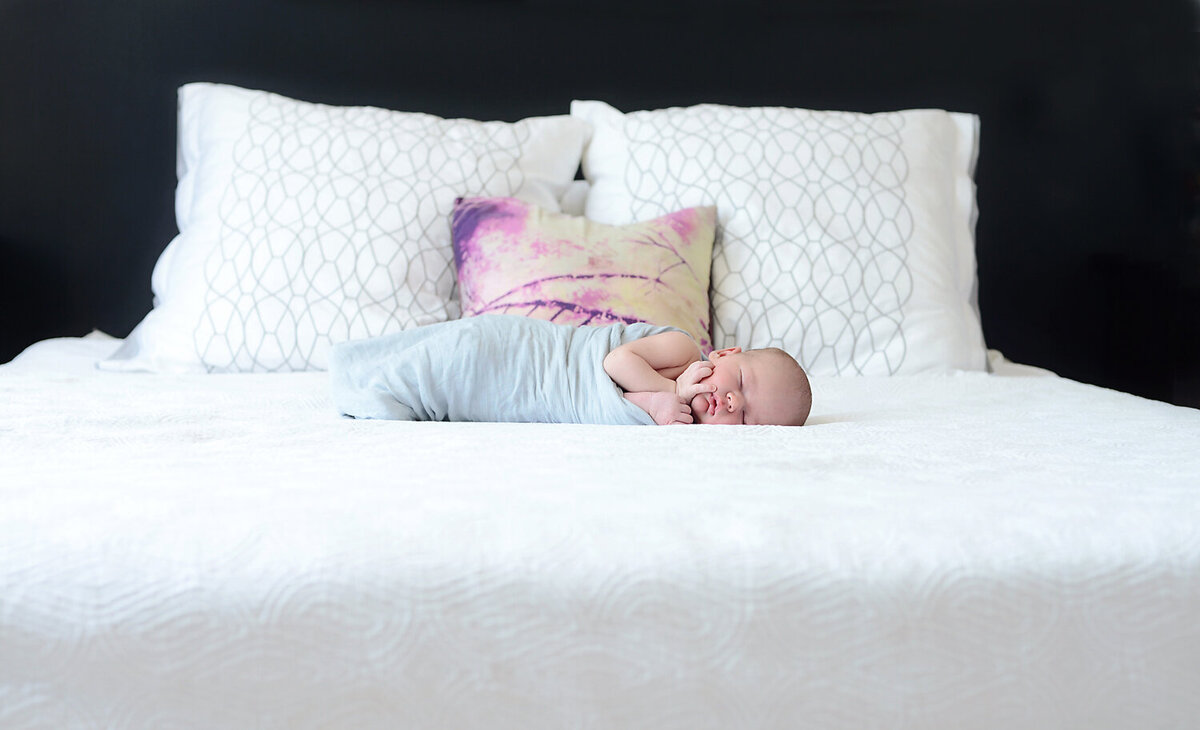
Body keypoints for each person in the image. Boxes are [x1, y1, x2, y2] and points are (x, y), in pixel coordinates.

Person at [603, 330, 812, 426]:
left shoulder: (682, 422)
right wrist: (674, 390)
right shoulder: (684, 351)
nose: (734, 402)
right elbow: (615, 362)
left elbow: (612, 405)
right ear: (723, 354)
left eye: (745, 419)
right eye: (741, 381)